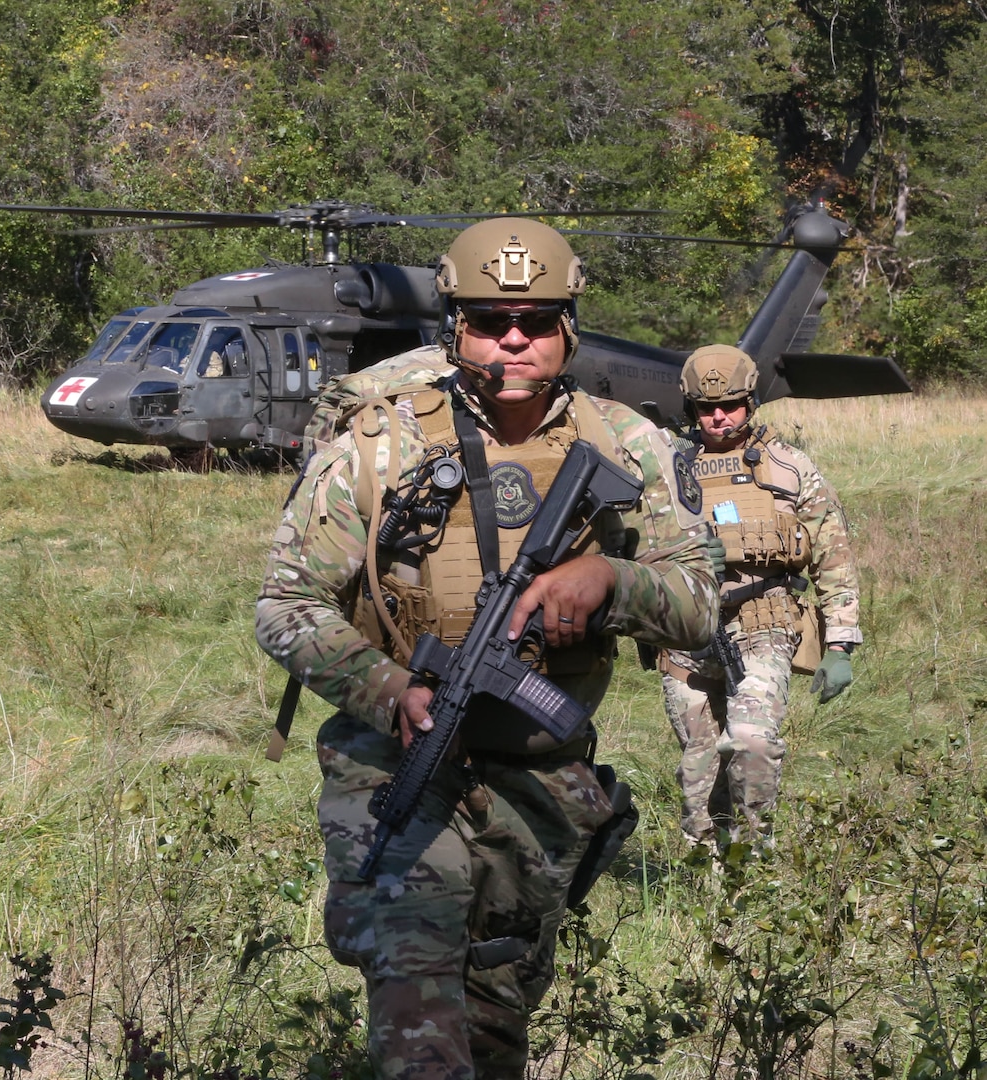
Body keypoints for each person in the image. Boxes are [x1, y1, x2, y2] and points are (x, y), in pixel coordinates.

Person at [255, 219, 719, 1080]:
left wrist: (611, 583)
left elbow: (701, 602)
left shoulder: (632, 446)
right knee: (420, 1018)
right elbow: (285, 605)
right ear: (453, 327)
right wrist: (389, 690)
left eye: (538, 321)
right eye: (489, 320)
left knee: (497, 1021)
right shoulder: (379, 442)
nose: (514, 339)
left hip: (539, 781)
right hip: (397, 769)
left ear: (568, 328)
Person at [655, 344, 862, 850]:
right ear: (690, 408)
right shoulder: (666, 466)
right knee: (699, 763)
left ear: (751, 403)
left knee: (749, 739)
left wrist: (840, 644)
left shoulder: (788, 467)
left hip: (765, 620)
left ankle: (755, 856)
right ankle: (708, 873)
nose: (718, 417)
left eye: (730, 405)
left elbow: (832, 552)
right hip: (686, 630)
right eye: (706, 408)